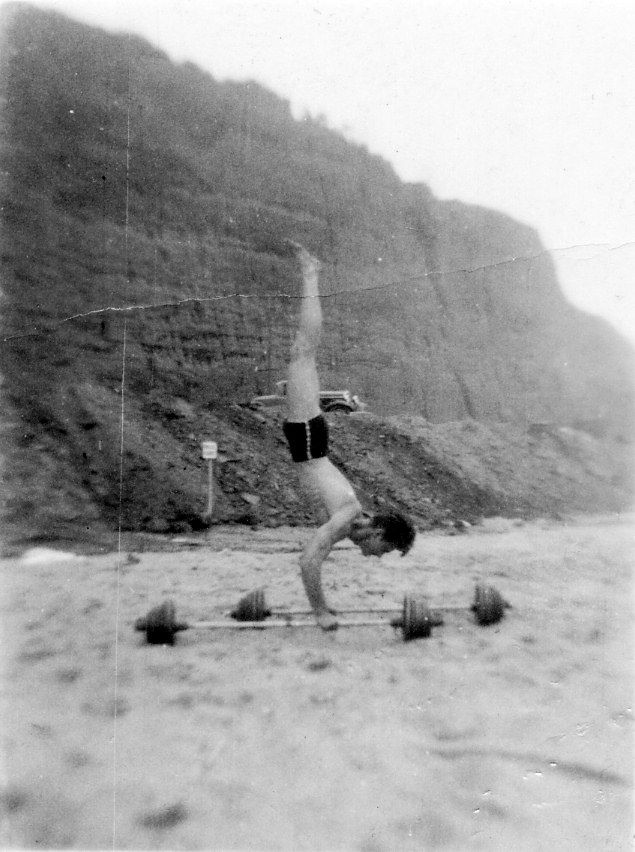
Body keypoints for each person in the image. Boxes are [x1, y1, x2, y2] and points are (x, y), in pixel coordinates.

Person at [282, 241, 416, 631]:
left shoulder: (351, 521)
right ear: (376, 531)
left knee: (302, 353)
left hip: (309, 441)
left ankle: (312, 273)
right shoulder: (346, 518)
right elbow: (308, 560)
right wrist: (320, 612)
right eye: (383, 550)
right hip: (307, 439)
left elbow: (312, 556)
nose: (375, 558)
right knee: (302, 352)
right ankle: (311, 273)